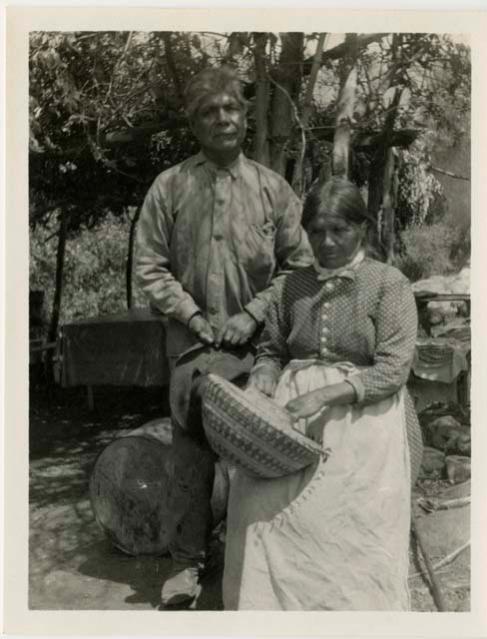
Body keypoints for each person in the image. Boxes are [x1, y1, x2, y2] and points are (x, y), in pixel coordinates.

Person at [135, 65, 313, 608]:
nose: (222, 119)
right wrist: (192, 315)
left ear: (243, 115)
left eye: (231, 109)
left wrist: (255, 312)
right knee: (191, 447)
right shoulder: (170, 187)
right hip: (192, 346)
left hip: (258, 346)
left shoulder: (271, 188)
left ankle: (259, 562)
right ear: (195, 123)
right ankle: (187, 567)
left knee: (261, 445)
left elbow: (299, 265)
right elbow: (150, 266)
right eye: (209, 112)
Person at [223, 177, 421, 610]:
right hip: (288, 423)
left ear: (362, 230)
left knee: (344, 527)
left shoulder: (389, 284)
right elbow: (272, 350)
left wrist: (323, 395)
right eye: (316, 232)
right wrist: (261, 384)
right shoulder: (291, 285)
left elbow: (393, 369)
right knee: (264, 515)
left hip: (362, 420)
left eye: (339, 230)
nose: (327, 242)